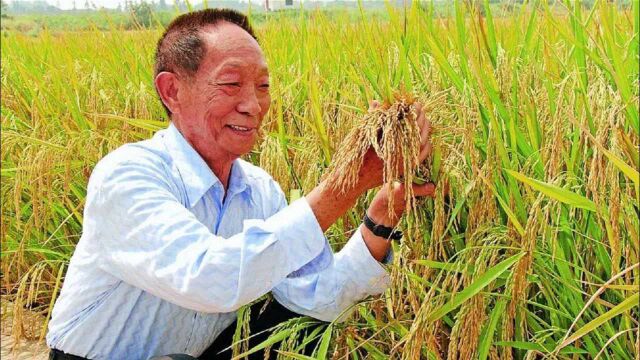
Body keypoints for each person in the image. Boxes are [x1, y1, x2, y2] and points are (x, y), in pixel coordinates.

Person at [46, 8, 435, 360]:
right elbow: (210, 278)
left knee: (295, 325)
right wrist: (346, 183)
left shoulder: (261, 191)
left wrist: (384, 213)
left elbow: (316, 295)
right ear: (172, 91)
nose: (252, 105)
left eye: (263, 87)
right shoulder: (128, 176)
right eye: (231, 84)